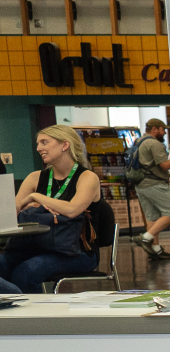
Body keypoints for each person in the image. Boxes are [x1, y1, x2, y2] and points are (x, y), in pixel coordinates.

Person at [0, 125, 103, 293]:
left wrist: (36, 198)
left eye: (44, 142)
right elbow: (13, 212)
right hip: (34, 247)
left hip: (76, 252)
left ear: (65, 145)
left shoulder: (87, 177)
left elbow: (72, 210)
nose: (39, 148)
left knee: (26, 272)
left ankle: (35, 317)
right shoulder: (34, 177)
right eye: (38, 143)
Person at [131, 118, 170, 260]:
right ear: (154, 129)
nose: (164, 132)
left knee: (153, 217)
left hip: (141, 184)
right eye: (162, 129)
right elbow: (164, 165)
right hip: (154, 184)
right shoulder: (154, 143)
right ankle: (145, 238)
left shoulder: (138, 142)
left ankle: (155, 249)